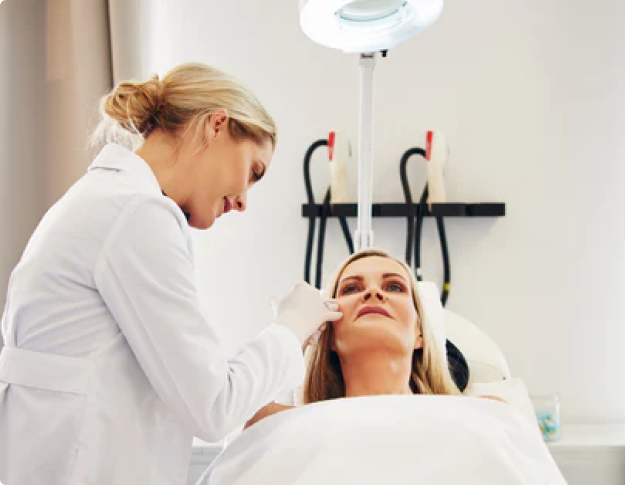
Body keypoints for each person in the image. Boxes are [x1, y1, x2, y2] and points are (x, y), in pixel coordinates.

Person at [0, 62, 341, 485]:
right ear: (217, 125)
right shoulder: (136, 213)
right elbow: (213, 407)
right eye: (253, 172)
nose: (243, 201)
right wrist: (291, 325)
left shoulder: (106, 201)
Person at [244, 248, 506, 429]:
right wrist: (295, 329)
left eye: (394, 287)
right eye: (351, 288)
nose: (372, 291)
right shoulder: (288, 423)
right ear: (329, 333)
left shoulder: (485, 415)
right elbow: (253, 425)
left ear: (420, 333)